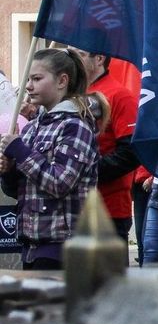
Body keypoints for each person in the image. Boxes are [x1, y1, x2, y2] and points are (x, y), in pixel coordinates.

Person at [0, 49, 100, 270]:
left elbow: (60, 183)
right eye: (28, 79)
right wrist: (8, 171)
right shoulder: (33, 127)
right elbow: (17, 190)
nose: (28, 86)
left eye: (36, 78)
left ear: (62, 81)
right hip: (31, 246)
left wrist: (20, 151)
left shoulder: (75, 126)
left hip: (64, 249)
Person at [72, 49, 141, 254]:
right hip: (72, 210)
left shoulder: (119, 95)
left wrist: (84, 174)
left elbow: (131, 152)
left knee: (108, 283)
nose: (73, 60)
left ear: (99, 59)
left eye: (80, 55)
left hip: (108, 209)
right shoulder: (72, 95)